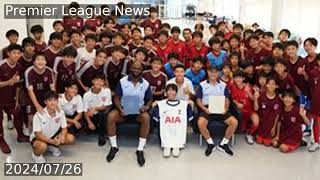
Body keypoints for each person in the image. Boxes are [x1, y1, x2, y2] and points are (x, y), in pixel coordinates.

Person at [106, 61, 153, 166]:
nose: (136, 70)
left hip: (138, 113)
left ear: (142, 70)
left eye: (139, 68)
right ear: (130, 69)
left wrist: (146, 107)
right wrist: (119, 108)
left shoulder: (145, 84)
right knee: (110, 117)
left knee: (146, 118)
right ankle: (114, 147)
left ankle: (140, 150)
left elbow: (149, 99)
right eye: (134, 68)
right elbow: (117, 97)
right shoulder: (122, 81)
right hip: (123, 111)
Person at [196, 66, 238, 156]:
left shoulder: (223, 85)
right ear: (208, 72)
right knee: (200, 123)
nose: (213, 74)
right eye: (211, 72)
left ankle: (223, 144)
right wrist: (205, 109)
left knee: (234, 122)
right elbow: (198, 101)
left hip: (221, 108)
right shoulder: (202, 85)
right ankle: (210, 143)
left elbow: (227, 99)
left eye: (215, 72)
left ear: (218, 73)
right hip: (207, 108)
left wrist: (226, 109)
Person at [30, 91, 75, 163]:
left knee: (71, 138)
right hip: (39, 138)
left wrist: (63, 136)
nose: (53, 103)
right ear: (45, 102)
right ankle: (36, 155)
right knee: (42, 146)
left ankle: (53, 146)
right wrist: (52, 141)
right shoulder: (38, 115)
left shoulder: (60, 112)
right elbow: (38, 135)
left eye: (55, 100)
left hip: (53, 136)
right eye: (50, 100)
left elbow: (64, 128)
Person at [0, 44, 29, 154]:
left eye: (18, 53)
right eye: (14, 53)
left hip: (11, 97)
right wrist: (8, 82)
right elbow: (11, 82)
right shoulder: (1, 66)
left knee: (18, 112)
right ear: (8, 53)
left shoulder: (19, 67)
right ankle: (2, 140)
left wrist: (17, 100)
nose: (16, 55)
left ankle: (20, 136)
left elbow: (17, 85)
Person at [152, 84, 193, 158]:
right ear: (166, 93)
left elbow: (190, 117)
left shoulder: (184, 105)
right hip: (165, 136)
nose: (171, 92)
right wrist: (156, 105)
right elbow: (155, 119)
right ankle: (166, 146)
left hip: (178, 136)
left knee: (177, 138)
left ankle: (176, 146)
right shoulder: (161, 104)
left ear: (176, 93)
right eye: (169, 90)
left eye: (173, 90)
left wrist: (190, 105)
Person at [25, 52, 55, 133]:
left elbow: (52, 87)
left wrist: (54, 101)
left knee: (45, 117)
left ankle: (44, 133)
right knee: (31, 118)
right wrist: (37, 105)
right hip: (32, 97)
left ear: (46, 62)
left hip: (44, 97)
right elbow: (30, 90)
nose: (40, 62)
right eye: (38, 60)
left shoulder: (49, 71)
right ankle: (29, 131)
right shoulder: (29, 71)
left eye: (43, 60)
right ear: (34, 62)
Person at [229, 70, 259, 144]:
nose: (238, 79)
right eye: (236, 78)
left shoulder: (249, 87)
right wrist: (237, 103)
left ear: (243, 78)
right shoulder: (232, 87)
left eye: (240, 77)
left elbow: (253, 98)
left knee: (256, 122)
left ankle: (249, 134)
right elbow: (232, 99)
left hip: (250, 110)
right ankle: (244, 128)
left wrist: (248, 92)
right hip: (240, 112)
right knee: (241, 129)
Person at [83, 74, 112, 146]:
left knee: (102, 114)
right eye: (97, 80)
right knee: (89, 129)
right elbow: (85, 111)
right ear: (93, 81)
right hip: (92, 115)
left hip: (102, 114)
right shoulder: (86, 95)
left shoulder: (107, 91)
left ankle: (102, 136)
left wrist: (95, 108)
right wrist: (89, 123)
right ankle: (95, 127)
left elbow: (106, 106)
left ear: (104, 83)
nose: (99, 83)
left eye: (101, 81)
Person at [254, 77, 282, 146]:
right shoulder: (262, 95)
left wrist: (274, 127)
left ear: (276, 86)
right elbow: (256, 108)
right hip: (262, 124)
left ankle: (272, 137)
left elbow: (278, 114)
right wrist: (255, 98)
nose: (271, 86)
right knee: (259, 141)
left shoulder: (279, 98)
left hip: (271, 126)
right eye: (269, 84)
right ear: (266, 85)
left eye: (273, 84)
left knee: (267, 143)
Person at [307, 54, 320, 152]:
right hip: (316, 102)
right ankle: (316, 141)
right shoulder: (313, 73)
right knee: (316, 121)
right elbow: (311, 86)